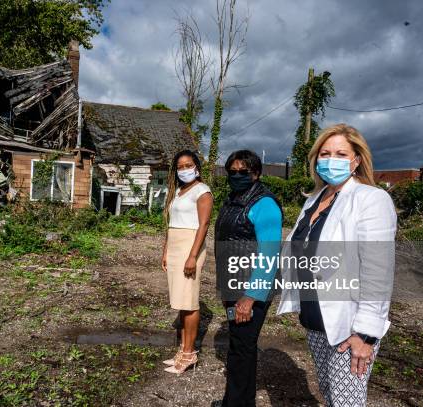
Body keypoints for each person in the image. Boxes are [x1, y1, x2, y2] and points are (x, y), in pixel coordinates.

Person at [277, 123, 397, 406]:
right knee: (331, 395)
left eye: (341, 154)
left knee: (347, 402)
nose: (331, 160)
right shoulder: (315, 200)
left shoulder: (371, 199)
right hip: (316, 319)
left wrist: (365, 334)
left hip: (349, 326)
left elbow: (378, 272)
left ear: (356, 160)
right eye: (325, 153)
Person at [214, 150, 282, 406]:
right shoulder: (234, 199)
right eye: (233, 172)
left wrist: (250, 297)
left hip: (250, 290)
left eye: (244, 172)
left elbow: (269, 254)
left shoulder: (264, 204)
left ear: (256, 174)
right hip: (234, 285)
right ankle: (237, 399)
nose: (237, 176)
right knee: (239, 345)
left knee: (242, 349)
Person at [161, 149, 213, 374]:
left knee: (189, 301)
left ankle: (190, 353)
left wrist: (192, 255)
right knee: (181, 301)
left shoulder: (202, 191)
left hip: (190, 247)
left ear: (196, 167)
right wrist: (165, 250)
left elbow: (203, 225)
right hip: (175, 245)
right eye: (180, 167)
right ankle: (183, 349)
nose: (184, 170)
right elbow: (172, 223)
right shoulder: (180, 191)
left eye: (188, 165)